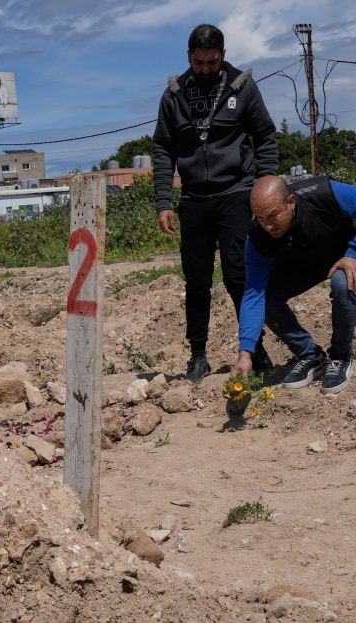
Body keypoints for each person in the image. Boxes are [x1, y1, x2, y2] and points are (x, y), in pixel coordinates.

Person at [152, 24, 278, 383]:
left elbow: (266, 136)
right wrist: (163, 200)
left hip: (236, 195)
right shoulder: (174, 94)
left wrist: (264, 187)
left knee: (240, 275)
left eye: (210, 62)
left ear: (223, 55)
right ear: (188, 57)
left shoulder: (243, 87)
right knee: (197, 281)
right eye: (197, 62)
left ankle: (255, 350)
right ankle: (197, 356)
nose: (204, 68)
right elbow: (162, 149)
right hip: (194, 200)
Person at [229, 175, 356, 394]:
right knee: (266, 297)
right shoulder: (258, 239)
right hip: (304, 263)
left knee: (343, 282)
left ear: (291, 202)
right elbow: (253, 294)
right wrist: (245, 353)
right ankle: (311, 356)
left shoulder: (325, 193)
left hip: (343, 254)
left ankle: (340, 357)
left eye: (273, 215)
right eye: (260, 217)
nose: (267, 225)